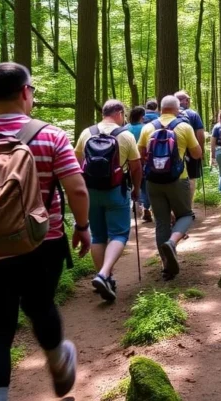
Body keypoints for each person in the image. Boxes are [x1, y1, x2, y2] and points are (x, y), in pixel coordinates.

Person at [0, 62, 89, 401]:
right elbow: (77, 190)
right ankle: (58, 360)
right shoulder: (50, 136)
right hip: (42, 244)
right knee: (40, 306)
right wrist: (82, 227)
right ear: (26, 92)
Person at [74, 100, 143, 302]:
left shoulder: (87, 133)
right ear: (119, 113)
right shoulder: (125, 135)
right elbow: (136, 167)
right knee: (119, 234)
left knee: (97, 236)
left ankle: (106, 279)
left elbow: (76, 163)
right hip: (116, 191)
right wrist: (137, 190)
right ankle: (104, 274)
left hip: (91, 191)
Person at [138, 95, 203, 280]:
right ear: (176, 109)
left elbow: (140, 153)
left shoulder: (148, 128)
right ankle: (173, 242)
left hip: (153, 182)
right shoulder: (184, 127)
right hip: (177, 179)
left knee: (161, 222)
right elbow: (197, 153)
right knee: (185, 215)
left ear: (160, 108)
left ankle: (166, 266)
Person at [175, 90, 206, 203]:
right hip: (191, 150)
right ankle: (188, 207)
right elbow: (200, 134)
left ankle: (176, 206)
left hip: (173, 151)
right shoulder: (193, 114)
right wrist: (200, 150)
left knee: (175, 178)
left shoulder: (170, 114)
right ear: (186, 101)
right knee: (191, 177)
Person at [138, 100, 159, 222]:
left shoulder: (141, 118)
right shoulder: (159, 119)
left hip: (142, 157)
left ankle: (145, 207)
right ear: (156, 107)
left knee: (143, 185)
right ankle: (157, 208)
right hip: (160, 157)